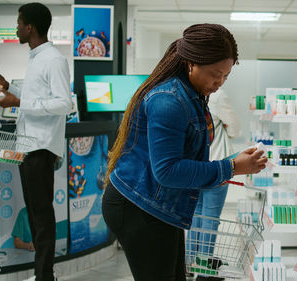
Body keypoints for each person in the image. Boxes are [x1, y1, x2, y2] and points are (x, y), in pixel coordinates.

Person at [102, 23, 267, 281]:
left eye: (225, 76)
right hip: (138, 207)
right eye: (215, 73)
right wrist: (231, 167)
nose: (219, 82)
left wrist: (229, 164)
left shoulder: (191, 94)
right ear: (192, 63)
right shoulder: (168, 100)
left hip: (160, 205)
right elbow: (167, 171)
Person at [0, 3, 72, 281]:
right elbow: (35, 98)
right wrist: (8, 88)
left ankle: (44, 276)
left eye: (18, 23)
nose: (16, 28)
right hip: (28, 146)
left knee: (41, 218)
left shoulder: (53, 59)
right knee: (36, 216)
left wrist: (19, 100)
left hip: (40, 147)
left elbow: (65, 103)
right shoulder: (37, 58)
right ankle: (42, 274)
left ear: (30, 27)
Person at [190, 89, 241, 281]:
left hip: (194, 165)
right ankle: (204, 269)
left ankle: (189, 262)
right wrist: (225, 127)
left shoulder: (189, 94)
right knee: (210, 217)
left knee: (196, 215)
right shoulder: (218, 96)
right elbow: (235, 128)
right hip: (217, 163)